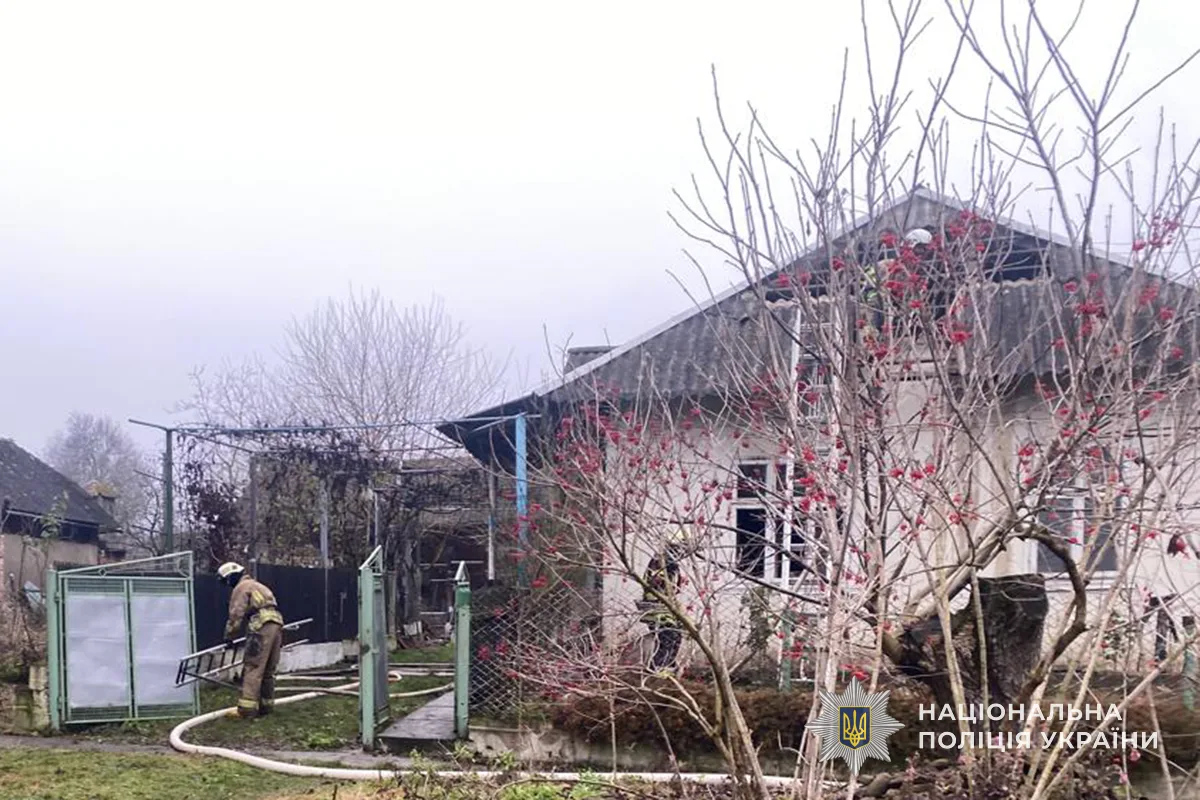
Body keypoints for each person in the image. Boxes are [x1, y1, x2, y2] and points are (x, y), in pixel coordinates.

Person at [218, 562, 285, 718]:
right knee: (268, 669)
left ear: (230, 577)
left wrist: (229, 636)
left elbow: (236, 614)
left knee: (253, 666)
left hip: (260, 625)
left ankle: (246, 710)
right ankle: (266, 706)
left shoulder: (241, 588)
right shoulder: (258, 585)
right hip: (276, 623)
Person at [640, 533, 685, 672]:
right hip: (656, 607)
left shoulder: (672, 563)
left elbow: (673, 588)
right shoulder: (660, 561)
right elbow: (655, 582)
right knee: (668, 637)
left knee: (676, 636)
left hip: (666, 606)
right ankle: (658, 668)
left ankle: (668, 666)